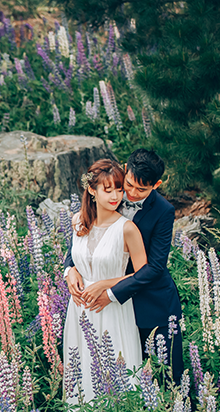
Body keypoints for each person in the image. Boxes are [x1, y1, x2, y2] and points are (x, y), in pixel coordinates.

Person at [64, 148, 184, 384]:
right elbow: (84, 238)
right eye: (129, 185)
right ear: (126, 170)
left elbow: (155, 267)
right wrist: (70, 269)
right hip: (102, 306)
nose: (131, 193)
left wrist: (110, 292)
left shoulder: (163, 211)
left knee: (165, 376)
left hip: (151, 302)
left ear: (156, 184)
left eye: (142, 189)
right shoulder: (112, 191)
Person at [64, 158, 147, 403]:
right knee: (82, 375)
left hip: (111, 308)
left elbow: (143, 274)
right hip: (79, 310)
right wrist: (70, 272)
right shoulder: (78, 220)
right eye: (107, 189)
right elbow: (74, 259)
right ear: (92, 190)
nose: (115, 196)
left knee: (115, 375)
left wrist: (105, 284)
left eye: (119, 189)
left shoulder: (127, 228)